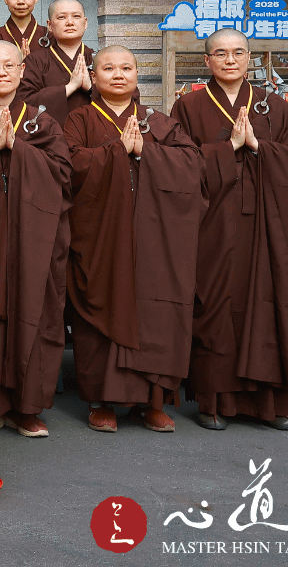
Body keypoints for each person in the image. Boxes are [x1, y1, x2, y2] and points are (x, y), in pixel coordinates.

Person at [169, 29, 288, 431]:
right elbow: (174, 162)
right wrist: (227, 149)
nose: (230, 60)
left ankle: (270, 404)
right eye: (220, 53)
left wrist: (259, 148)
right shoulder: (188, 106)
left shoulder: (274, 106)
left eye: (238, 53)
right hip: (212, 224)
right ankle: (212, 402)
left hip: (266, 227)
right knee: (215, 306)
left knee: (268, 306)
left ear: (250, 57)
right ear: (207, 61)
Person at [64, 47, 203, 433]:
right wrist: (116, 151)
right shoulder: (80, 118)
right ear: (94, 75)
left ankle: (152, 402)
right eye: (108, 68)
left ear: (138, 75)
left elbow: (192, 167)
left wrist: (146, 152)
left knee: (154, 314)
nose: (118, 75)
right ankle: (101, 401)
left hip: (153, 239)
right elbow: (69, 164)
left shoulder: (157, 122)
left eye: (127, 68)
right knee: (101, 307)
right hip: (101, 237)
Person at [0, 41, 71, 438]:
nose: (1, 72)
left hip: (32, 232)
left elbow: (62, 173)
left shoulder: (43, 121)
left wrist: (18, 150)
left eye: (9, 65)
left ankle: (27, 406)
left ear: (23, 71)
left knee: (33, 308)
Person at [15, 0, 97, 124]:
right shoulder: (34, 61)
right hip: (50, 138)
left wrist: (91, 88)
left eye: (76, 16)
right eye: (61, 17)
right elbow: (24, 101)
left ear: (85, 23)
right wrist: (69, 87)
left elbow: (120, 100)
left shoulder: (99, 59)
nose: (70, 22)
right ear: (49, 25)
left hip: (92, 136)